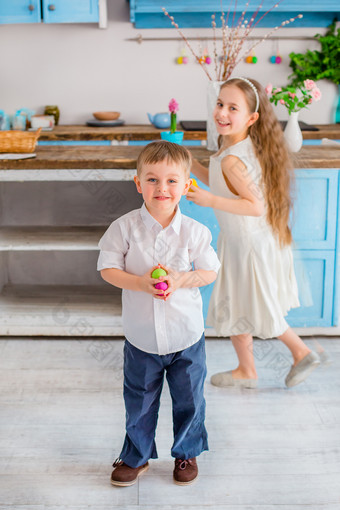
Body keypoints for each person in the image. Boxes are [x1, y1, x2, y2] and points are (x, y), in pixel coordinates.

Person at [97, 141, 220, 487]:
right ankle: (135, 456)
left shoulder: (196, 232)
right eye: (152, 180)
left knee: (190, 400)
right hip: (142, 336)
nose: (161, 188)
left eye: (171, 181)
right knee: (139, 400)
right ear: (138, 183)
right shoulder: (123, 228)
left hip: (186, 335)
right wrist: (139, 282)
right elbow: (107, 269)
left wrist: (181, 279)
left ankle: (186, 453)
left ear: (186, 186)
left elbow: (209, 272)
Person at [187, 77, 321, 389]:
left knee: (260, 307)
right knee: (238, 305)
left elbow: (255, 206)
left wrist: (209, 200)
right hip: (243, 242)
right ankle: (246, 369)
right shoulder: (233, 147)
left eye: (233, 107)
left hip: (250, 246)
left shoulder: (234, 158)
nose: (222, 112)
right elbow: (219, 179)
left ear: (251, 118)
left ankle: (301, 352)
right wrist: (192, 164)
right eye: (220, 104)